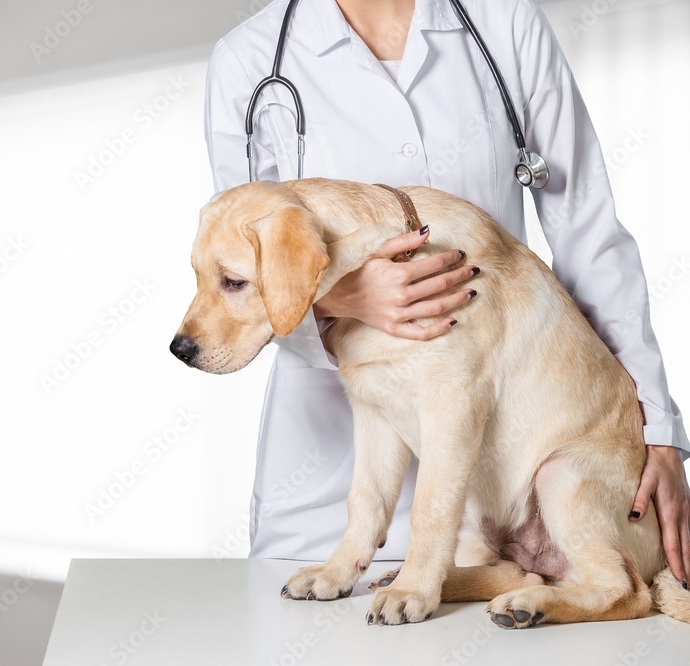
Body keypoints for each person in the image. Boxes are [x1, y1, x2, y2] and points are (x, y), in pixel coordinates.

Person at [203, 0, 690, 586]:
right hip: (331, 481)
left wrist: (655, 430)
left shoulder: (504, 23)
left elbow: (588, 233)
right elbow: (242, 264)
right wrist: (342, 299)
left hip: (516, 461)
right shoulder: (249, 61)